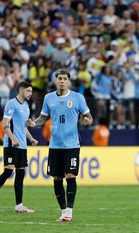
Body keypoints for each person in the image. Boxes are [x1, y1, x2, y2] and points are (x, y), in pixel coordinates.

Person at [26, 69, 93, 222]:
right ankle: (63, 211)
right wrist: (34, 123)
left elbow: (88, 116)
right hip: (55, 145)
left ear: (69, 81)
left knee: (70, 175)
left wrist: (88, 121)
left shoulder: (78, 98)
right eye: (59, 78)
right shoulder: (48, 98)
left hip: (71, 145)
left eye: (64, 79)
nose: (62, 81)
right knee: (56, 178)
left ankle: (69, 211)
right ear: (55, 81)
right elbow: (43, 118)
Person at [0, 81, 38, 213]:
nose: (30, 94)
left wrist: (31, 138)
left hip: (22, 145)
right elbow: (5, 124)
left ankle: (19, 205)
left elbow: (22, 126)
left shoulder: (26, 106)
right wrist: (13, 139)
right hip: (11, 144)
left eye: (31, 91)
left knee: (20, 173)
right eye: (28, 91)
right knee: (8, 171)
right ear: (20, 90)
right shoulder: (11, 104)